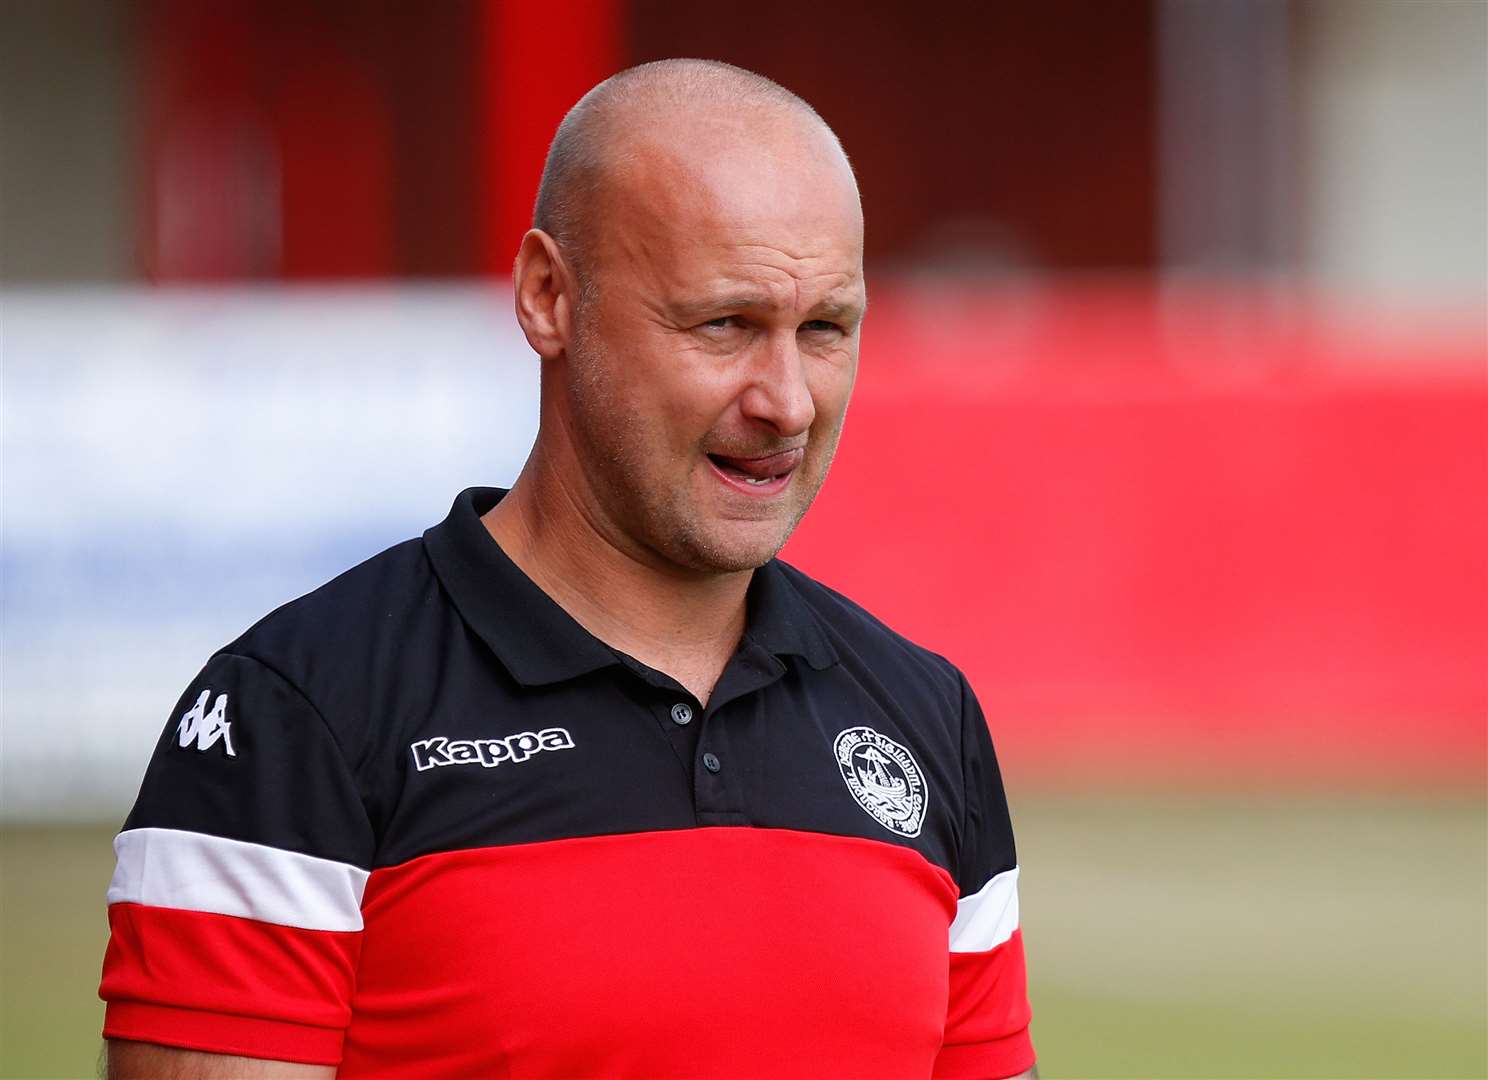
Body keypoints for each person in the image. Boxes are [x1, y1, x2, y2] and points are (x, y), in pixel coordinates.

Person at [100, 59, 1037, 1079]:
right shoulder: (297, 713)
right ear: (550, 296)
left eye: (825, 330)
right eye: (725, 324)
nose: (788, 402)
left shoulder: (925, 713)